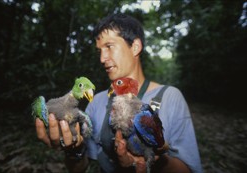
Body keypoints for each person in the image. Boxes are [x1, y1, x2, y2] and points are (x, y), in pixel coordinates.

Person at [35, 13, 202, 173]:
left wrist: (155, 162)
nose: (102, 58)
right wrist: (74, 150)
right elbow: (79, 168)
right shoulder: (97, 101)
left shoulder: (170, 97)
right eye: (99, 51)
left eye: (109, 46)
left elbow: (188, 169)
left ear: (135, 47)